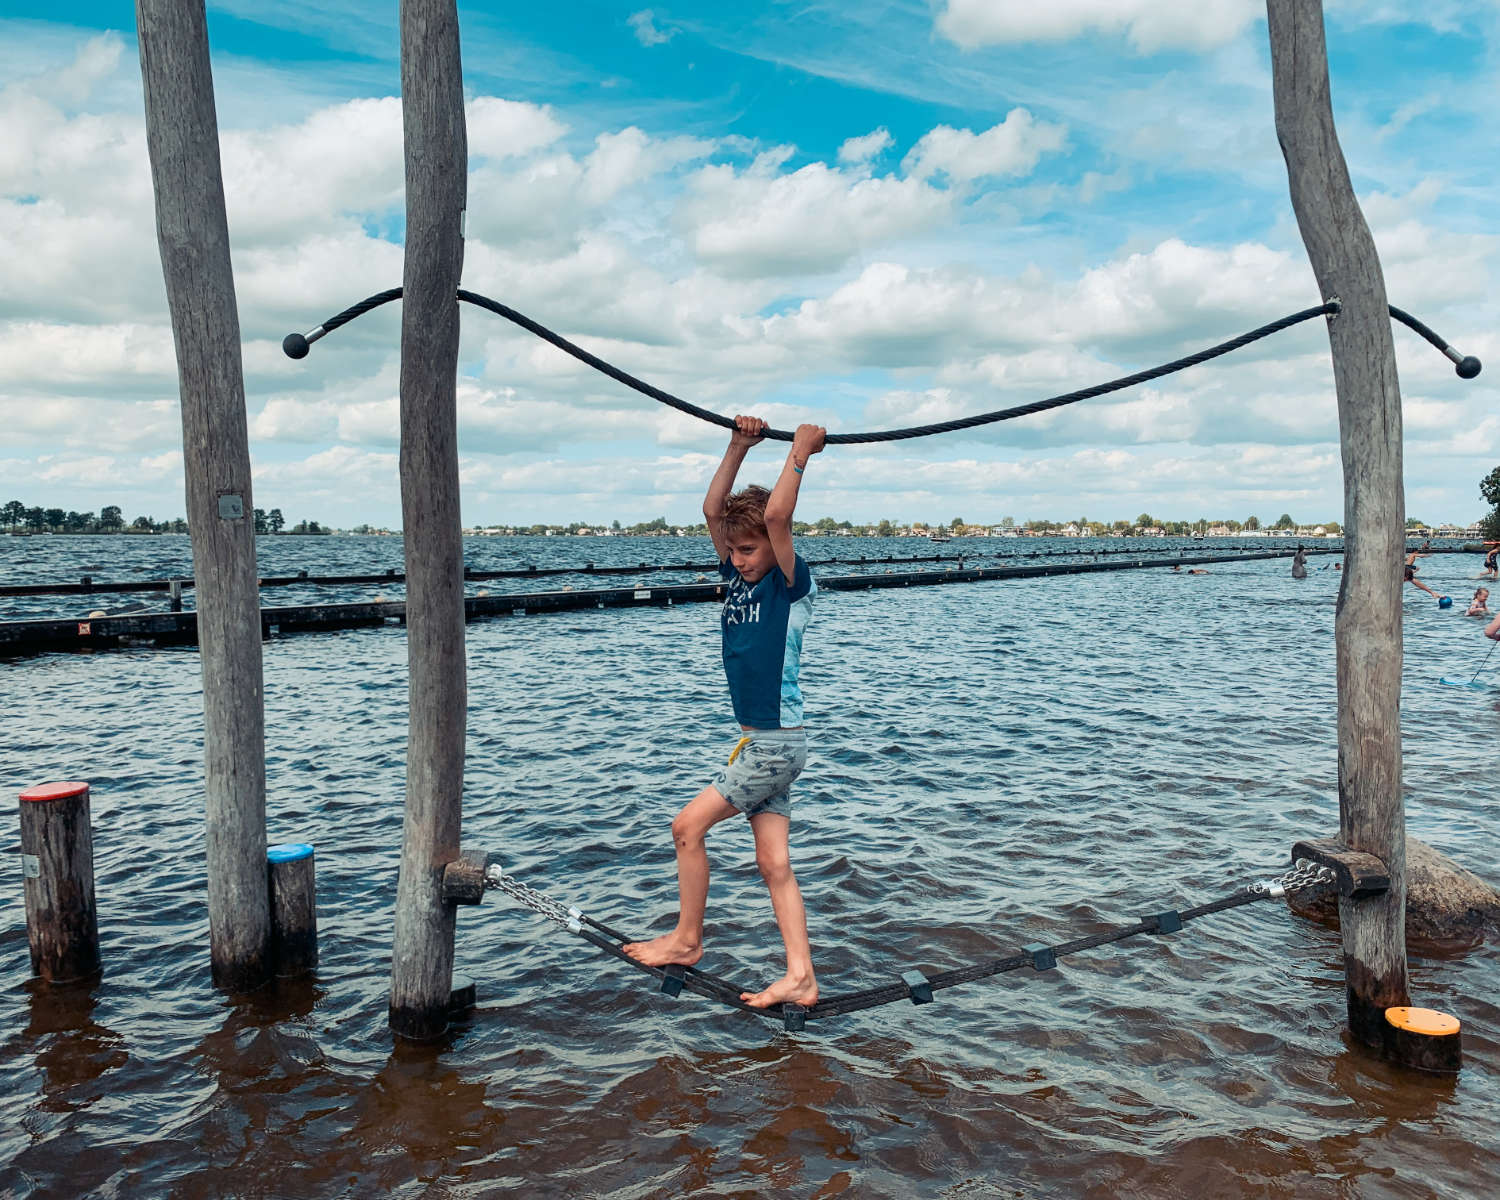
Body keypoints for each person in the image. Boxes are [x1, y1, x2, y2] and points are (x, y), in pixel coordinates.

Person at [624, 414, 827, 1010]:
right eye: (734, 552)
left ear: (773, 548)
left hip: (772, 743)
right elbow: (714, 511)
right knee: (774, 865)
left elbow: (778, 518)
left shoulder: (789, 585)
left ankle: (687, 940)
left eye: (749, 550)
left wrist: (798, 454)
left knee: (685, 830)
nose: (739, 559)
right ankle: (801, 977)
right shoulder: (738, 580)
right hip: (769, 742)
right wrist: (739, 445)